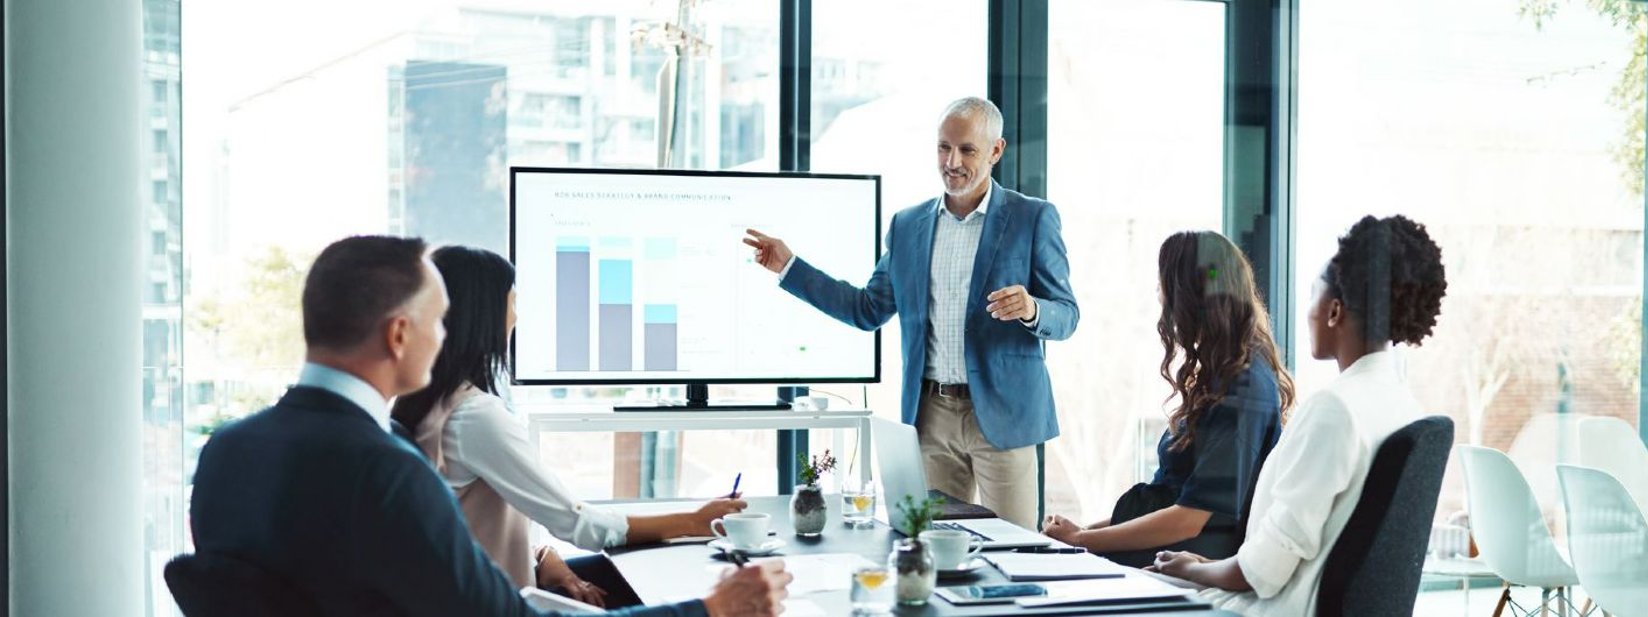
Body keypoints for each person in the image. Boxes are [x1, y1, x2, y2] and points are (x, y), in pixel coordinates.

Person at [189, 235, 790, 616]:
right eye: (437, 321)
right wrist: (709, 611)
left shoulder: (226, 450)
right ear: (400, 335)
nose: (445, 336)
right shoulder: (388, 469)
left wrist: (542, 560)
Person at [741, 97, 1077, 528]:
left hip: (1004, 416)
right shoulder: (907, 225)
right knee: (932, 547)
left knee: (1014, 549)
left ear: (995, 151)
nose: (952, 162)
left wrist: (1032, 309)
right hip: (930, 416)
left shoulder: (1033, 218)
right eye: (943, 147)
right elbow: (867, 309)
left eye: (967, 150)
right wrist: (790, 266)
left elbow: (1066, 314)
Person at [389, 246, 747, 609]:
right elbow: (578, 524)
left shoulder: (427, 404)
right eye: (512, 303)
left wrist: (543, 556)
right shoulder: (475, 417)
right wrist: (693, 521)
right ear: (486, 315)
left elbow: (466, 526)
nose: (516, 317)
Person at [1148, 215, 1448, 616]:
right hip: (1289, 597)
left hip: (1267, 607)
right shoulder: (1401, 405)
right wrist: (1207, 565)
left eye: (1313, 295)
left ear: (1334, 311)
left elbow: (1263, 573)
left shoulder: (1336, 410)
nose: (1308, 311)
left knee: (1110, 594)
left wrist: (1194, 570)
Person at [1039, 231, 1293, 567]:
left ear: (1189, 297)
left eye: (1165, 287)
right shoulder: (1223, 374)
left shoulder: (1244, 388)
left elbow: (1189, 518)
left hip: (1184, 559)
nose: (1160, 296)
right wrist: (1081, 533)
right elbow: (1171, 501)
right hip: (1170, 549)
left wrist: (1082, 540)